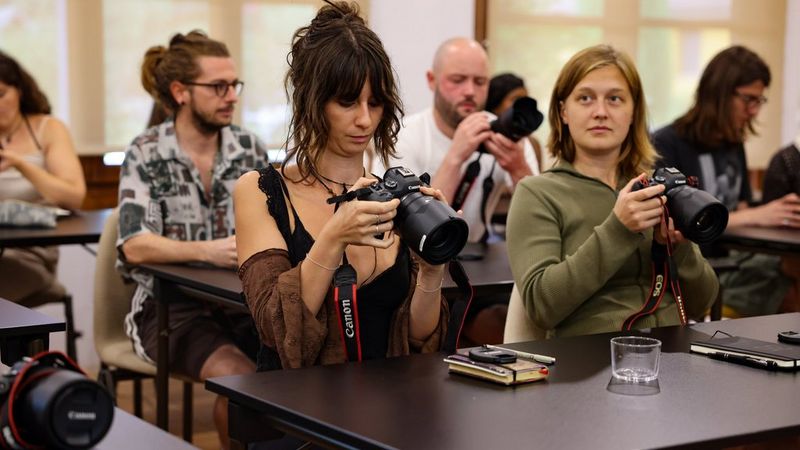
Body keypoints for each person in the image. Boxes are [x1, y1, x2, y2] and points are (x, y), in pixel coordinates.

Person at [234, 1, 449, 371]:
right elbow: (274, 330)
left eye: (376, 102)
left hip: (390, 405)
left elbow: (417, 338)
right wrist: (334, 238)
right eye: (347, 101)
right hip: (297, 404)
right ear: (311, 101)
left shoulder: (395, 197)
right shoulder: (262, 191)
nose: (364, 119)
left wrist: (432, 272)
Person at [115, 31, 267, 449]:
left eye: (234, 85)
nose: (231, 96)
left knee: (301, 373)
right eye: (218, 86)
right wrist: (210, 251)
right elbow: (134, 244)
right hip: (170, 311)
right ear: (181, 92)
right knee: (243, 384)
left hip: (241, 304)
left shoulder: (249, 148)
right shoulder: (146, 152)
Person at [506, 45, 718, 338]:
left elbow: (702, 304)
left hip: (672, 356)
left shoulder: (655, 189)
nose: (601, 112)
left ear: (633, 113)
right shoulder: (538, 193)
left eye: (615, 99)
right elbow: (542, 307)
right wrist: (618, 229)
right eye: (585, 98)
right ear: (563, 111)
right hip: (590, 362)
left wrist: (679, 248)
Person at [652, 45, 800, 316]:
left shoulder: (734, 143)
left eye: (760, 101)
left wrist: (777, 215)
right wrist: (760, 215)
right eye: (749, 99)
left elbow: (741, 206)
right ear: (719, 94)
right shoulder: (667, 144)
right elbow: (675, 228)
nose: (754, 111)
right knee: (790, 283)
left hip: (736, 261)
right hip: (700, 267)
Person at [374, 37, 539, 244]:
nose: (470, 91)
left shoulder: (505, 133)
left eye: (480, 82)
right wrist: (455, 157)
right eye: (457, 80)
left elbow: (540, 219)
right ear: (431, 80)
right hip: (415, 257)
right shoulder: (403, 135)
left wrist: (518, 168)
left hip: (478, 255)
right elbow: (396, 229)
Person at [0, 50, 86, 305]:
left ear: (20, 90)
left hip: (31, 256)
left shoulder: (49, 129)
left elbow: (74, 197)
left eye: (2, 94)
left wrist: (20, 164)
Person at [486, 72, 544, 172]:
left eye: (524, 100)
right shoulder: (479, 137)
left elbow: (535, 184)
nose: (522, 107)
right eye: (516, 100)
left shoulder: (532, 144)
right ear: (495, 105)